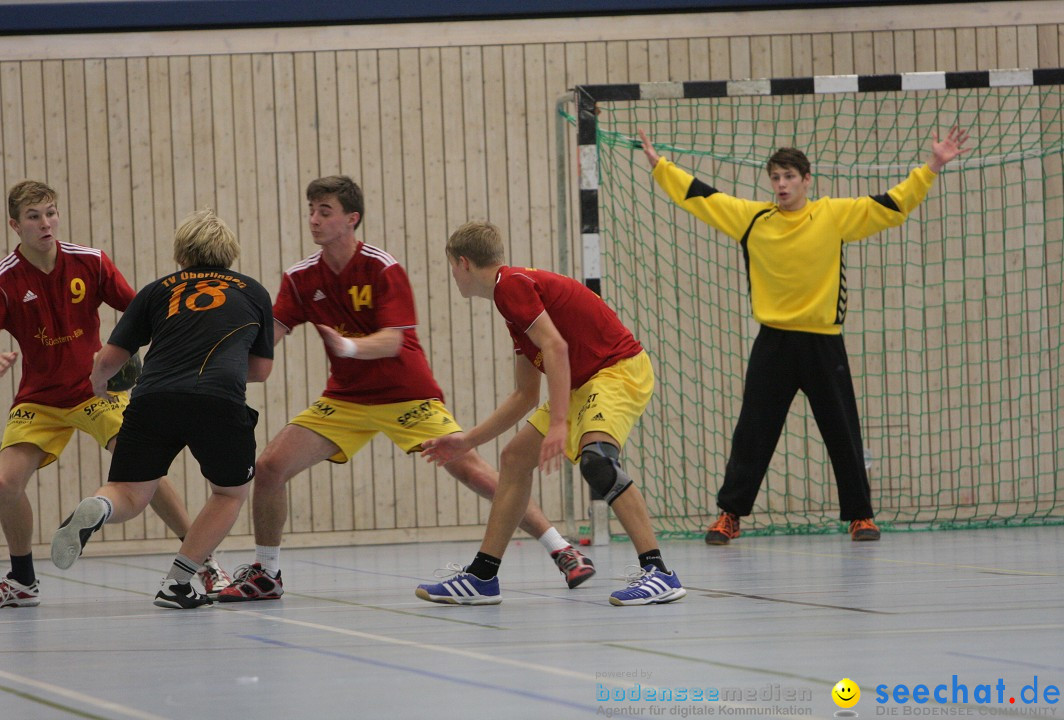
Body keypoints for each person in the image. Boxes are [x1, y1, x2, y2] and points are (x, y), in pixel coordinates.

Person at [216, 176, 593, 602]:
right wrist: (225, 365)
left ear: (351, 219)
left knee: (472, 469)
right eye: (311, 210)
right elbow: (273, 335)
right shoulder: (301, 277)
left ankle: (562, 551)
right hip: (346, 400)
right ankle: (267, 573)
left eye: (325, 211)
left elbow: (394, 339)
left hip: (407, 394)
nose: (314, 220)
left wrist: (348, 346)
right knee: (269, 467)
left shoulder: (382, 267)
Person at [636, 125, 971, 544]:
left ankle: (860, 516)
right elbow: (701, 196)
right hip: (773, 342)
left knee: (842, 430)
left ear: (806, 180)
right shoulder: (752, 219)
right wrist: (660, 165)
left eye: (789, 177)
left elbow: (893, 205)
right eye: (775, 177)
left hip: (822, 341)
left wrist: (932, 166)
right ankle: (730, 515)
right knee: (753, 432)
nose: (781, 184)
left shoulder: (833, 215)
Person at [0, 181, 229, 609]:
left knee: (144, 470)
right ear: (14, 225)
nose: (46, 223)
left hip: (95, 390)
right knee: (5, 482)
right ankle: (22, 581)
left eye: (51, 213)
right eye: (34, 216)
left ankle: (202, 562)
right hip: (39, 398)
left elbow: (141, 312)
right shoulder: (1, 281)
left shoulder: (91, 262)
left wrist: (132, 355)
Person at [417, 221, 685, 606]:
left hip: (617, 369)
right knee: (513, 459)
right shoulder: (512, 303)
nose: (454, 277)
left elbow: (556, 349)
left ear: (463, 263)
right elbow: (526, 395)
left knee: (597, 462)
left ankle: (660, 573)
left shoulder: (510, 287)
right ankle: (482, 576)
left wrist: (559, 423)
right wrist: (468, 440)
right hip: (584, 382)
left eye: (452, 268)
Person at [50, 208, 274, 609]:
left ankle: (99, 507)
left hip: (153, 397)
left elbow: (109, 360)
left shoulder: (157, 290)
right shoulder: (253, 291)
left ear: (181, 252)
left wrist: (99, 386)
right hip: (218, 400)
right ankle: (178, 583)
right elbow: (260, 370)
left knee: (129, 493)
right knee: (228, 493)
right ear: (229, 251)